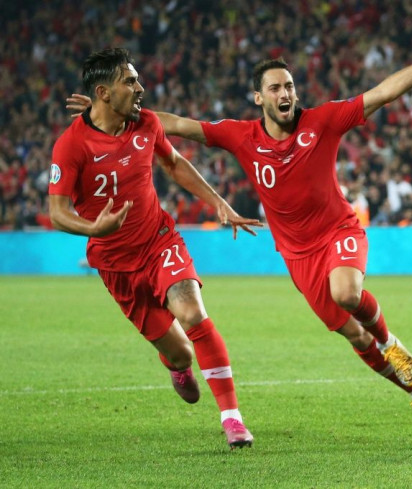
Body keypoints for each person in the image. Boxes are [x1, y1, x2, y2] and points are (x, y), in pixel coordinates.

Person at [69, 26, 412, 424]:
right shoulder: (241, 136)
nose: (286, 94)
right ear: (259, 97)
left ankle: (392, 343)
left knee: (347, 293)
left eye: (290, 86)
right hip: (298, 257)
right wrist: (103, 112)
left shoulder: (324, 121)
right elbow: (176, 124)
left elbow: (384, 93)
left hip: (338, 232)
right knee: (354, 336)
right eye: (276, 88)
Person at [50, 48, 262, 449]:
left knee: (193, 312)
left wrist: (218, 202)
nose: (140, 87)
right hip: (116, 265)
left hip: (158, 240)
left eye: (137, 79)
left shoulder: (146, 123)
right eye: (130, 81)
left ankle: (232, 418)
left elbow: (175, 162)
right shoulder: (71, 145)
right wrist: (93, 228)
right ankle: (176, 365)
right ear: (104, 92)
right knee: (182, 354)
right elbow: (57, 212)